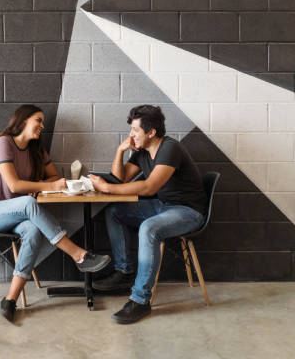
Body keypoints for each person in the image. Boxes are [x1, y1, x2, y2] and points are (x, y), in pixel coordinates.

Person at [0, 104, 111, 323]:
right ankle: (78, 254)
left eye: (42, 121)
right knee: (29, 203)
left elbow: (53, 177)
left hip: (16, 213)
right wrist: (40, 187)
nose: (42, 125)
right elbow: (13, 185)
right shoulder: (4, 143)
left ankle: (9, 300)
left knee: (33, 230)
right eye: (38, 120)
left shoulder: (35, 149)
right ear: (23, 120)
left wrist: (37, 184)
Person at [89, 105, 208, 324]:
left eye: (135, 130)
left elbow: (149, 187)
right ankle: (124, 272)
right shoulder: (142, 152)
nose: (131, 135)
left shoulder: (170, 148)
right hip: (163, 206)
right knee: (115, 211)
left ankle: (141, 301)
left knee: (149, 228)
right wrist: (120, 151)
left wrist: (107, 188)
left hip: (187, 211)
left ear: (151, 132)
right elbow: (121, 178)